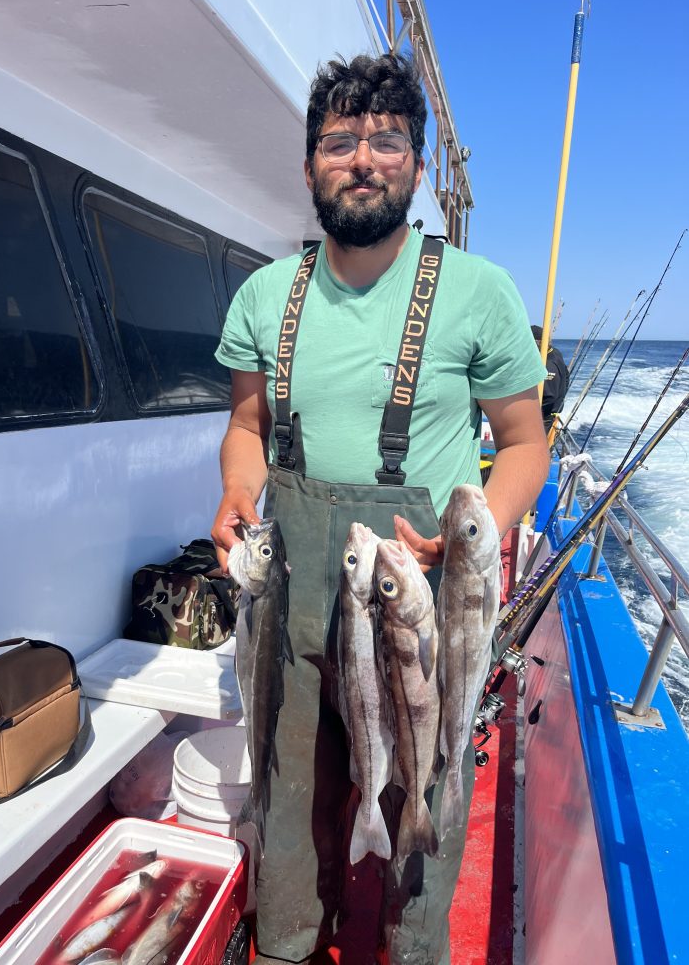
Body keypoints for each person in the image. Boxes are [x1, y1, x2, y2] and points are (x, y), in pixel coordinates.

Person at [211, 53, 549, 964]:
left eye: (387, 139)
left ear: (417, 163)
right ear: (311, 163)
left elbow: (524, 441)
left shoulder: (480, 294)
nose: (363, 158)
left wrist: (473, 545)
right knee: (289, 789)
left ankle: (411, 947)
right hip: (292, 601)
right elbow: (247, 426)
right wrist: (238, 496)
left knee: (425, 788)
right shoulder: (263, 297)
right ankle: (283, 941)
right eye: (340, 141)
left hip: (414, 597)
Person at [531, 324, 570, 431]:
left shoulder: (547, 364)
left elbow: (549, 396)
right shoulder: (555, 352)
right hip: (551, 412)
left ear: (537, 342)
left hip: (544, 418)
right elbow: (566, 376)